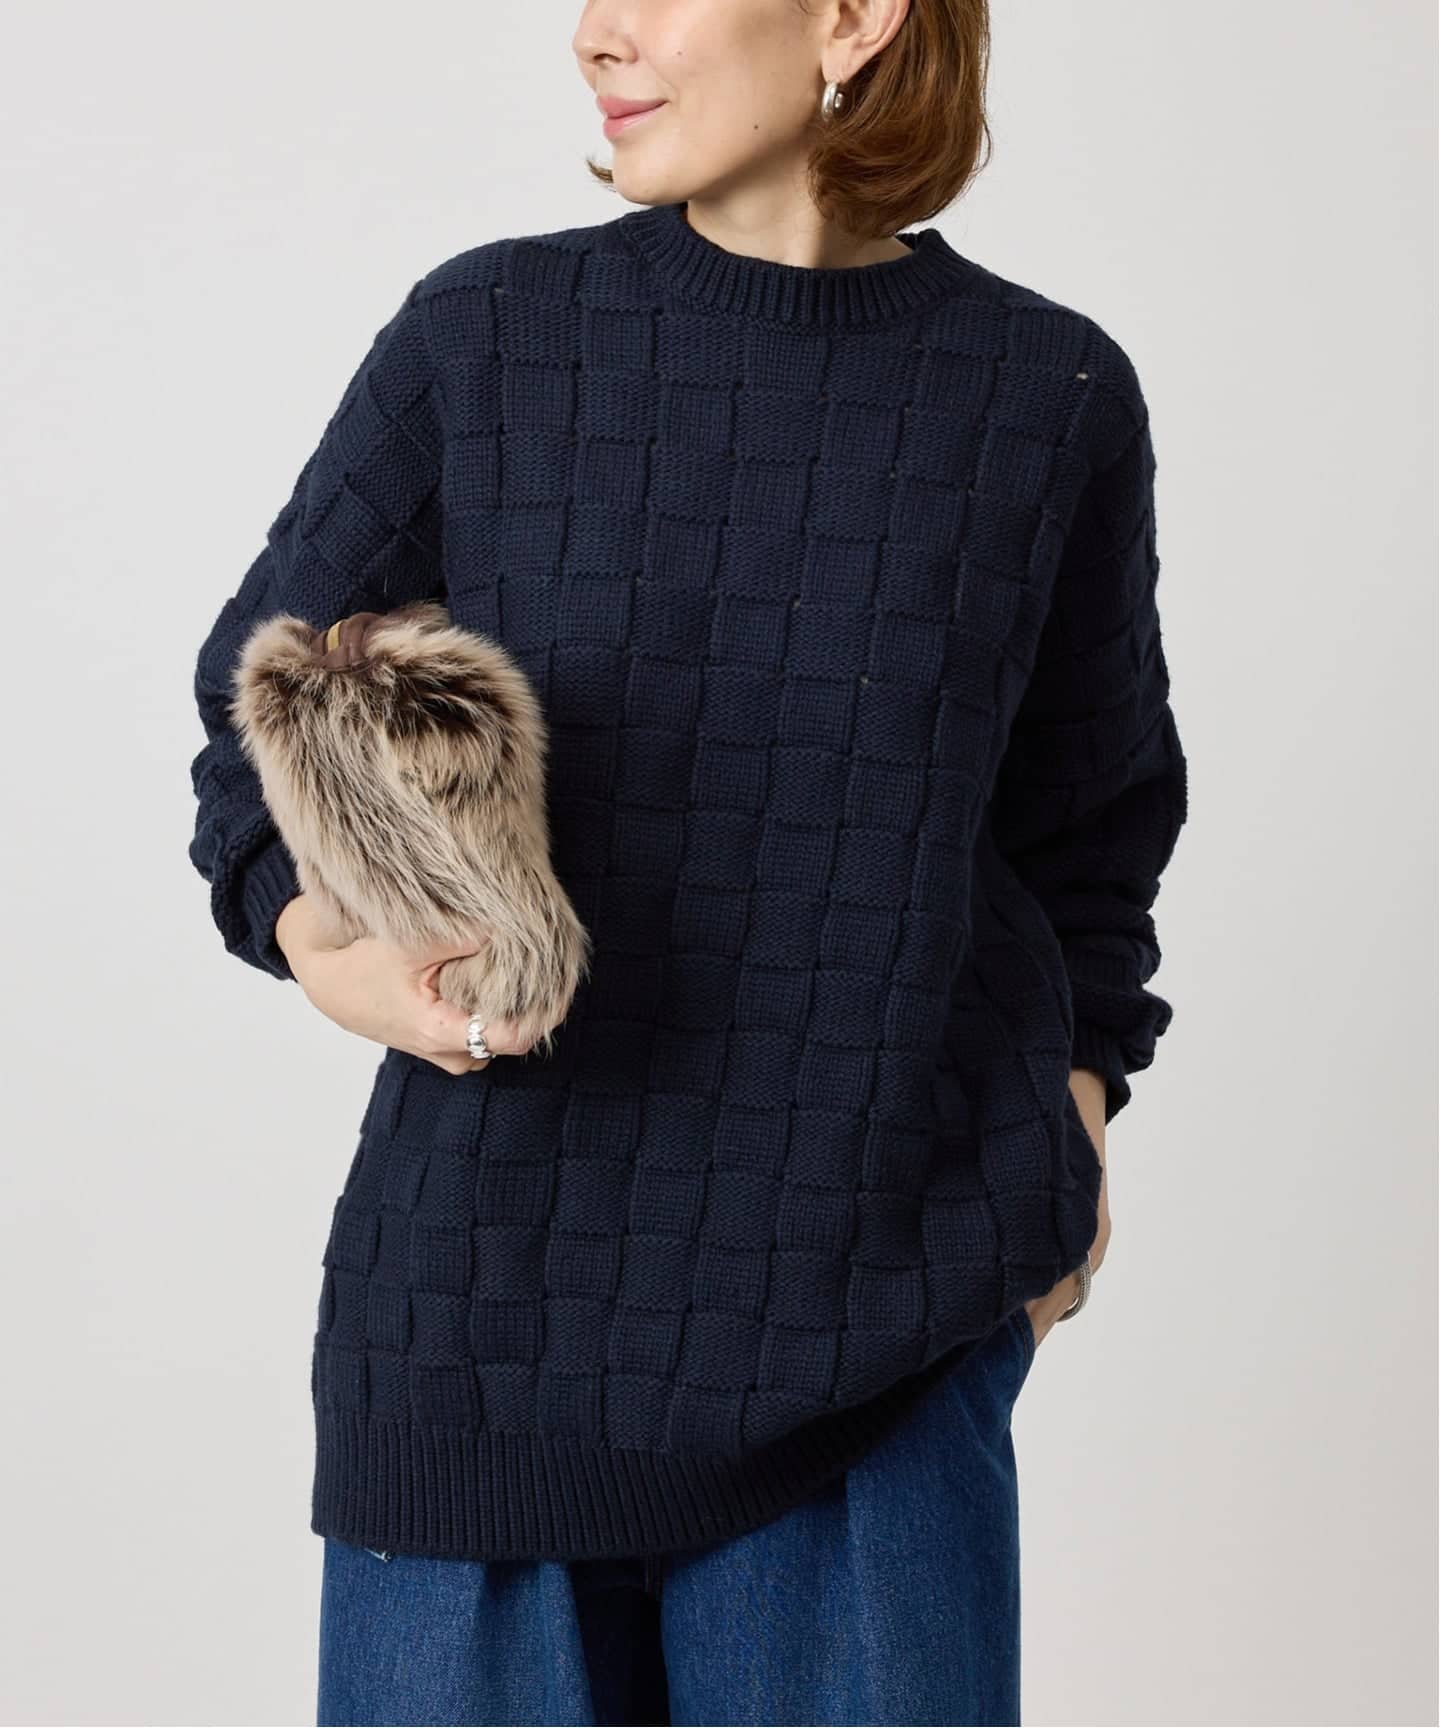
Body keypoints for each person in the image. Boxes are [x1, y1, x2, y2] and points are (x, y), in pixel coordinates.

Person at [186, 0, 1188, 1721]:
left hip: (884, 1346)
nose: (597, 31)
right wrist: (344, 961)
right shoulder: (488, 337)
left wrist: (1075, 1120)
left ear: (854, 17)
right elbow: (255, 714)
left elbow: (1089, 833)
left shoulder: (1047, 395)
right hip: (481, 1336)